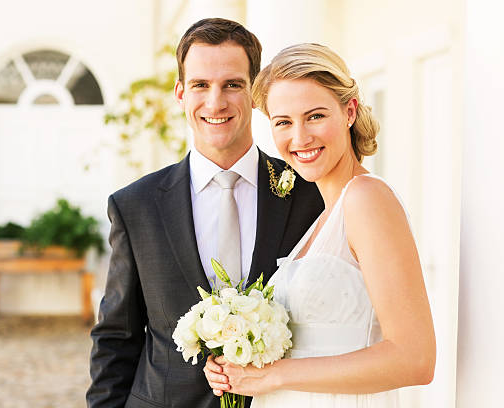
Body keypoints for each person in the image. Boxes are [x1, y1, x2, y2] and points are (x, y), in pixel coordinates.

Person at [86, 20, 323, 408]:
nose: (216, 103)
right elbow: (116, 339)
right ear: (181, 93)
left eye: (232, 84)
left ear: (255, 93)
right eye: (201, 85)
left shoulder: (308, 193)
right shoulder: (136, 206)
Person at [204, 43, 436, 407]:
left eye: (314, 116)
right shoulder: (324, 215)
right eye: (283, 122)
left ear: (349, 110)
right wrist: (240, 364)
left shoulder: (366, 198)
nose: (299, 138)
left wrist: (276, 375)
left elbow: (415, 358)